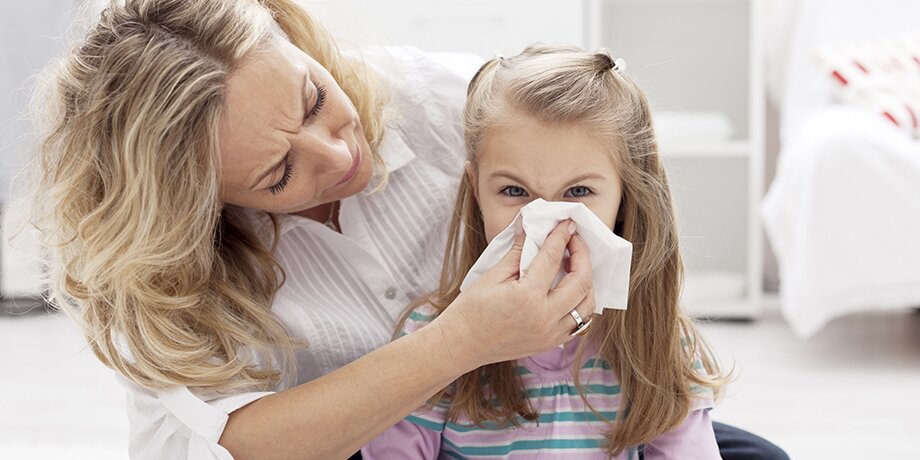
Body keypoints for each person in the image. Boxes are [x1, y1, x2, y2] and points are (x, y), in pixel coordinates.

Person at [26, 1, 787, 459]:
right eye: (279, 174)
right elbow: (245, 446)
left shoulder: (453, 101)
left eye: (314, 99)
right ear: (200, 202)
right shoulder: (157, 270)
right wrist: (459, 342)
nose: (339, 155)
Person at [362, 44, 726, 459]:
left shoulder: (655, 339)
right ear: (476, 190)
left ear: (625, 197)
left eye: (579, 191)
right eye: (514, 191)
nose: (547, 221)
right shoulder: (433, 339)